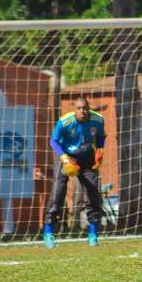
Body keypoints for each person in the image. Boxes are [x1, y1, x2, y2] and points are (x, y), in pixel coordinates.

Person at [44, 97, 106, 249]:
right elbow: (54, 141)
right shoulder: (64, 121)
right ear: (74, 109)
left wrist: (99, 150)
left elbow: (101, 136)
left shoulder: (98, 119)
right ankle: (48, 231)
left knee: (93, 192)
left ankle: (93, 234)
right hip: (67, 157)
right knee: (58, 192)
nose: (82, 111)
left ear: (89, 108)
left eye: (85, 108)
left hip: (86, 157)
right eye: (79, 108)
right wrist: (64, 157)